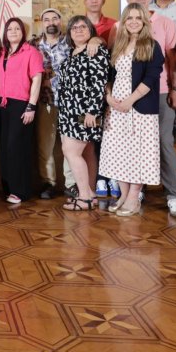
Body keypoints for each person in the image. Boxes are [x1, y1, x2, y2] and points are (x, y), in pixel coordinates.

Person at [98, 4, 163, 215]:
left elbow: (152, 78)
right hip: (115, 108)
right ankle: (123, 195)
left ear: (145, 21)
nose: (133, 21)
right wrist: (109, 97)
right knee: (119, 153)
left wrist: (130, 101)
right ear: (123, 22)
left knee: (138, 155)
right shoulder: (118, 45)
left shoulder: (152, 45)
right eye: (129, 18)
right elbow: (109, 76)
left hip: (139, 108)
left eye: (138, 17)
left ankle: (134, 198)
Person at [126, 0, 176, 216]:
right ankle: (136, 191)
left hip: (159, 91)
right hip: (129, 95)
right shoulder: (122, 25)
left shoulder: (165, 22)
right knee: (133, 144)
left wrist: (175, 89)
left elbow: (172, 59)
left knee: (164, 142)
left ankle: (173, 194)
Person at [56, 15, 112, 211]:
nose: (79, 30)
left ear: (91, 31)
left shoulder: (95, 50)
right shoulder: (72, 52)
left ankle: (85, 196)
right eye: (74, 28)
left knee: (70, 151)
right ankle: (90, 193)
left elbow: (99, 83)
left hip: (84, 111)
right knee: (86, 152)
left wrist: (93, 111)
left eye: (83, 27)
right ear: (70, 33)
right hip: (68, 111)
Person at [0, 17, 43, 204]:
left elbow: (37, 79)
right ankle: (8, 187)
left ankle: (20, 190)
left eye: (17, 28)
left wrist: (31, 106)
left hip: (21, 104)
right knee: (5, 147)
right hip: (1, 103)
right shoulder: (2, 52)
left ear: (23, 32)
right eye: (9, 29)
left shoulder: (31, 52)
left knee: (17, 147)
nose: (13, 32)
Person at [32, 8, 76, 200]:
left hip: (70, 101)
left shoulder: (72, 42)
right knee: (45, 145)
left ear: (60, 21)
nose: (51, 22)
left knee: (70, 145)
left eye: (55, 19)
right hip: (45, 101)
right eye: (46, 19)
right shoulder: (33, 45)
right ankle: (48, 182)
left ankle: (72, 184)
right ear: (42, 23)